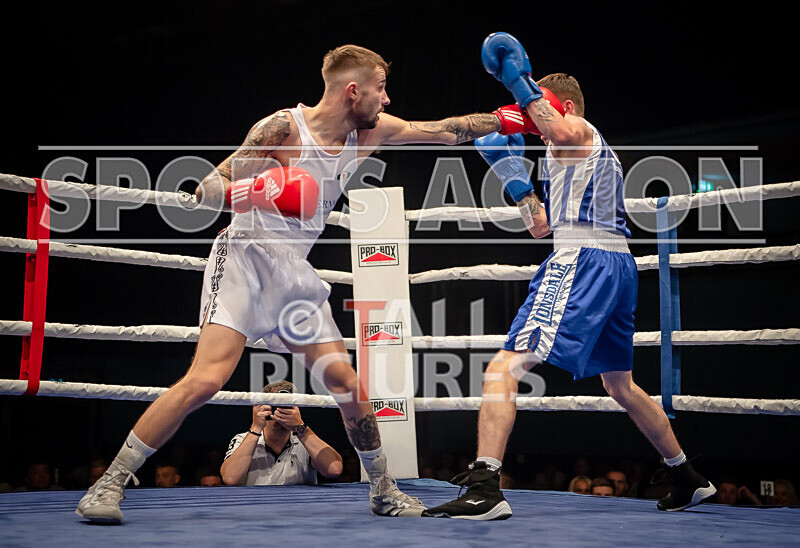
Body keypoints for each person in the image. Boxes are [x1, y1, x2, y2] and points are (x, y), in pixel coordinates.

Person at [76, 43, 505, 524]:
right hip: (244, 255)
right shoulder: (282, 127)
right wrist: (268, 190)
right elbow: (207, 191)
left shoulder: (373, 131)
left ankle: (383, 489)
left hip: (293, 268)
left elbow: (444, 130)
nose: (387, 100)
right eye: (381, 88)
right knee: (206, 379)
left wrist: (513, 119)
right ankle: (109, 483)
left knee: (346, 382)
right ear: (353, 90)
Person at [424, 32, 715, 520]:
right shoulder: (566, 158)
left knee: (502, 369)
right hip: (613, 265)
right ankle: (686, 475)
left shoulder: (578, 130)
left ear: (567, 106)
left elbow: (556, 129)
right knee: (620, 384)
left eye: (542, 108)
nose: (536, 123)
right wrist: (513, 176)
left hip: (584, 261)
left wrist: (517, 79)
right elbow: (541, 226)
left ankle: (485, 487)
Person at [220, 381, 342, 486]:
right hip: (257, 504)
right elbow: (231, 479)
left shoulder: (306, 441)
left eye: (287, 405)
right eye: (276, 404)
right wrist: (256, 427)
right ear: (263, 406)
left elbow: (334, 469)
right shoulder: (243, 439)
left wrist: (300, 428)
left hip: (298, 504)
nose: (280, 409)